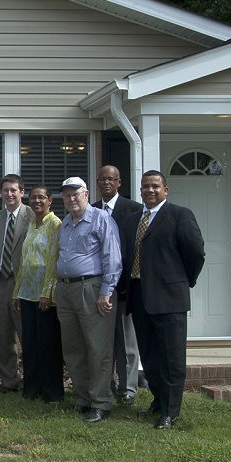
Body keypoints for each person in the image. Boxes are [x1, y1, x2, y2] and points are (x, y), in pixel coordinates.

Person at [122, 170, 206, 430]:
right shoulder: (134, 218)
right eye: (145, 186)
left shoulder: (180, 215)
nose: (149, 190)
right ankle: (158, 401)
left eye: (155, 186)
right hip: (139, 297)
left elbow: (196, 254)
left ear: (165, 190)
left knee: (171, 357)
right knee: (150, 355)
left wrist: (181, 281)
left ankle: (170, 412)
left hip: (170, 299)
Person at [56, 176, 121, 423]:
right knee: (73, 349)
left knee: (98, 348)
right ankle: (83, 399)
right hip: (66, 290)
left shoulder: (101, 219)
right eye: (66, 195)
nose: (71, 199)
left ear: (86, 194)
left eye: (75, 194)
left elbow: (112, 258)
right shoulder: (65, 223)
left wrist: (106, 292)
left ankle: (101, 402)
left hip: (91, 289)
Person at [94, 165, 144, 404]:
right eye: (102, 179)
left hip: (123, 288)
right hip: (96, 289)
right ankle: (107, 385)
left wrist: (124, 284)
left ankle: (128, 388)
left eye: (111, 179)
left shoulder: (133, 210)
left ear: (119, 182)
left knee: (126, 342)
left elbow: (135, 251)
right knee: (103, 341)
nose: (106, 183)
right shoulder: (91, 210)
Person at [9, 185, 64, 403]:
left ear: (50, 200)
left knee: (48, 345)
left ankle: (52, 393)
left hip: (45, 296)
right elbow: (24, 261)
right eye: (33, 198)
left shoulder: (55, 224)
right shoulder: (31, 225)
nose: (36, 201)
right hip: (27, 294)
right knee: (30, 344)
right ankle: (32, 389)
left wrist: (47, 293)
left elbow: (53, 260)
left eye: (41, 197)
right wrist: (16, 292)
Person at [0, 174, 31, 393]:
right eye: (6, 190)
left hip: (24, 284)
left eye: (14, 190)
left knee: (27, 335)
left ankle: (32, 380)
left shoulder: (32, 216)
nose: (10, 194)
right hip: (1, 283)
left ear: (22, 192)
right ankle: (9, 381)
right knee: (3, 337)